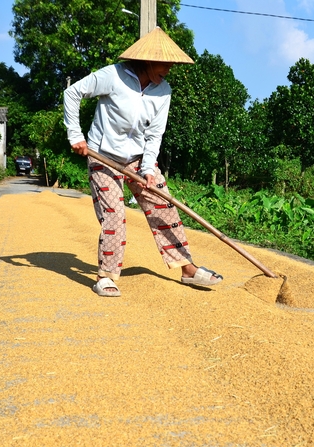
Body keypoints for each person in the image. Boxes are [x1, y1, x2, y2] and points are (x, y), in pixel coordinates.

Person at [63, 27, 223, 297]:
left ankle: (187, 269)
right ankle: (106, 276)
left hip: (137, 158)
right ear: (147, 60)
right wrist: (76, 135)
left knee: (164, 206)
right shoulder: (112, 76)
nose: (169, 69)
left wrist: (148, 169)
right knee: (114, 214)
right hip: (103, 156)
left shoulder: (163, 91)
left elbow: (155, 133)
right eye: (165, 63)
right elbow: (72, 94)